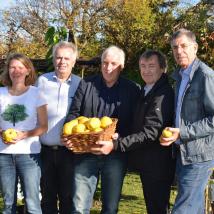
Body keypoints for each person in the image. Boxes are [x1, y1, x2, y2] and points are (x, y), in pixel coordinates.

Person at [92, 50, 176, 214]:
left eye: (152, 66)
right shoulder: (147, 90)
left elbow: (150, 132)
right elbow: (138, 124)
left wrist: (117, 144)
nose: (146, 70)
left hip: (158, 165)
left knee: (158, 209)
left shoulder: (163, 94)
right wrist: (119, 136)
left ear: (163, 68)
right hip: (148, 163)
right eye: (143, 66)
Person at [62, 45, 140, 214]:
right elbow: (73, 114)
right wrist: (69, 134)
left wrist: (118, 139)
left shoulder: (132, 89)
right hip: (85, 152)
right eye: (105, 63)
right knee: (79, 207)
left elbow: (136, 124)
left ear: (122, 66)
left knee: (110, 208)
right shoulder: (86, 84)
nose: (108, 67)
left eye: (113, 63)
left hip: (115, 155)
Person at [159, 28, 214, 213]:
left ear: (195, 48)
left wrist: (182, 132)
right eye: (175, 47)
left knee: (183, 209)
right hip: (182, 152)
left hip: (199, 155)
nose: (179, 51)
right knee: (195, 207)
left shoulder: (205, 75)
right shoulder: (179, 76)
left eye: (184, 46)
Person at [37, 41, 81, 214]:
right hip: (44, 151)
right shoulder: (42, 81)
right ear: (54, 60)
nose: (62, 61)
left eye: (66, 58)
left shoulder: (80, 84)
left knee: (68, 197)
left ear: (74, 61)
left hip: (69, 152)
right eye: (58, 57)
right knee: (47, 197)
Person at [0, 53, 48, 214]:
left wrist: (25, 135)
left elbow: (43, 126)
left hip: (29, 156)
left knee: (33, 203)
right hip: (4, 155)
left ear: (28, 71)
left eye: (20, 67)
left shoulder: (37, 94)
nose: (16, 71)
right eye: (12, 67)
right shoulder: (0, 93)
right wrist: (2, 132)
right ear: (8, 70)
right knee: (8, 205)